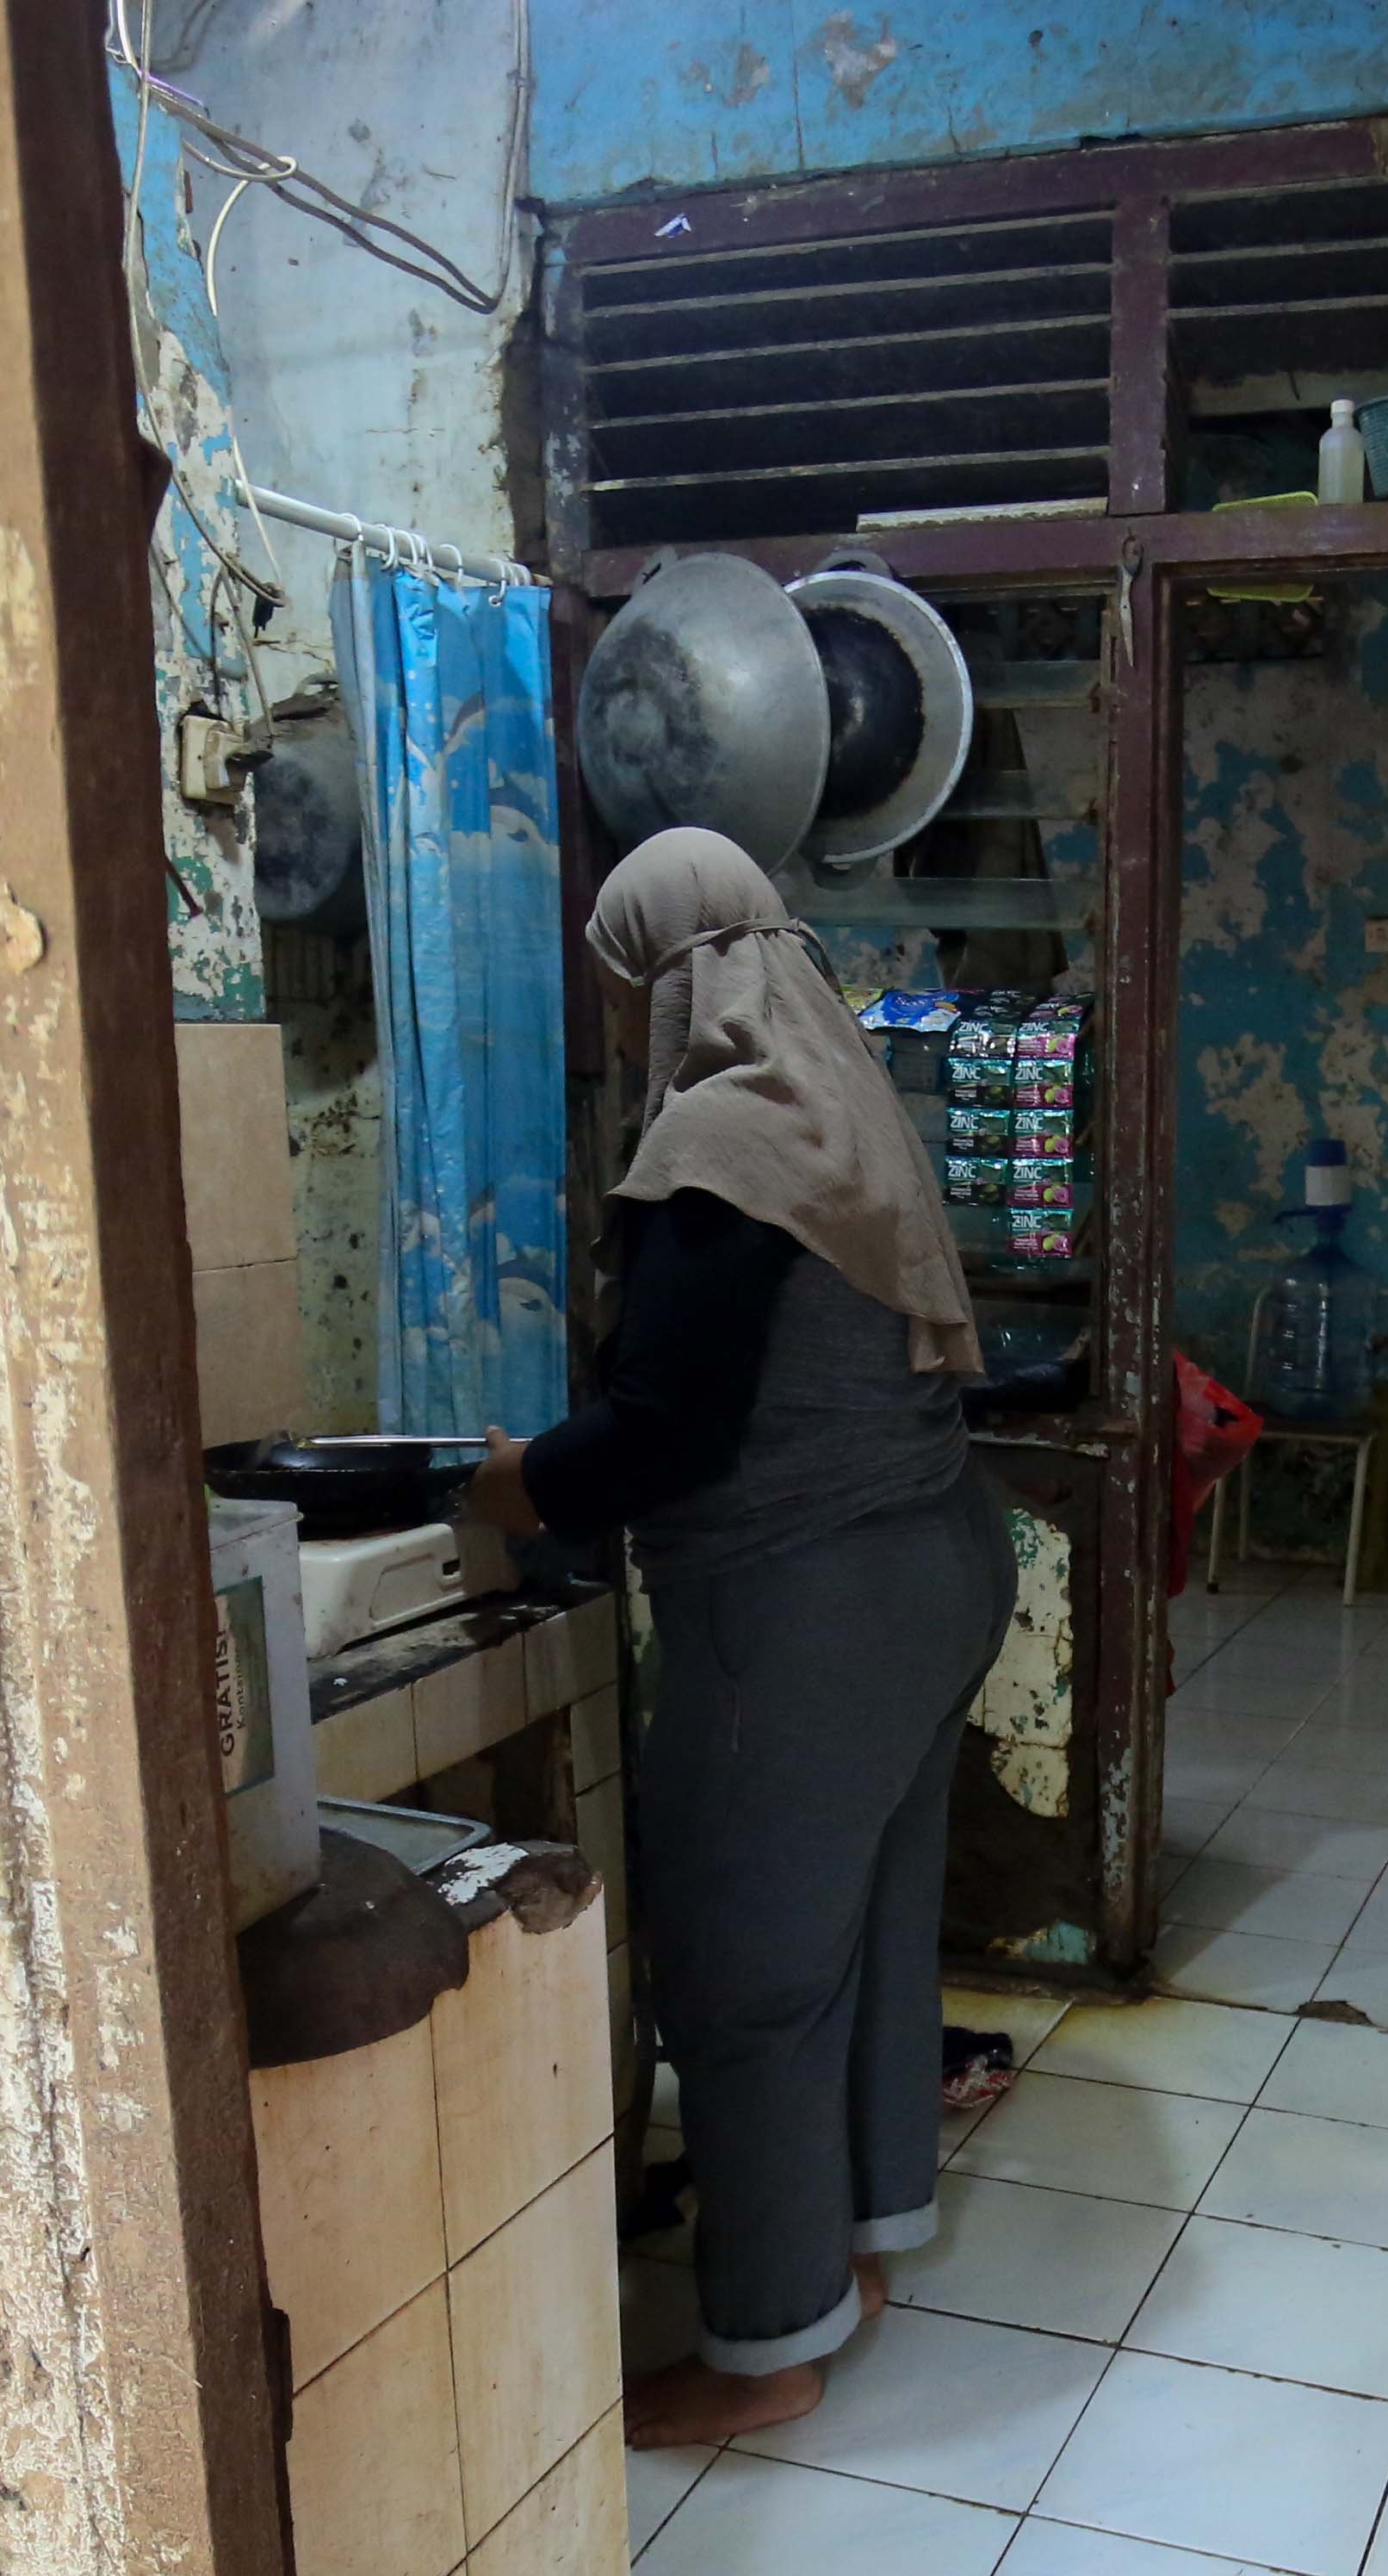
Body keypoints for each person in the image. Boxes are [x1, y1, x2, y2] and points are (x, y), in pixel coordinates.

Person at [464, 827, 1013, 2448]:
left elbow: (667, 1436)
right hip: (937, 1566)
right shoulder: (845, 1105)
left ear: (668, 979)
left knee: (745, 1974)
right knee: (866, 1925)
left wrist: (506, 1483)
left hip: (805, 1607)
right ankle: (856, 2244)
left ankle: (768, 2343)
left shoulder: (718, 1139)